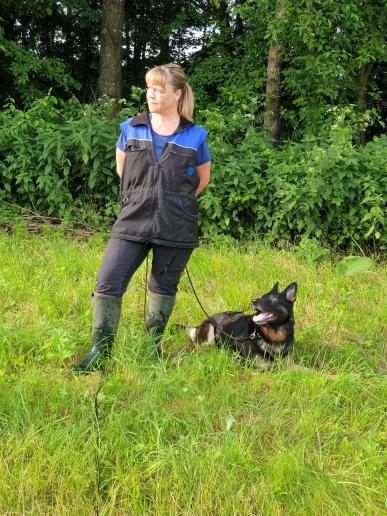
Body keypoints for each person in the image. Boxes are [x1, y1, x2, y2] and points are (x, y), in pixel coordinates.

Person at [71, 63, 211, 374]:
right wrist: (144, 197)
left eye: (158, 90)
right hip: (132, 221)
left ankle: (152, 350)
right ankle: (100, 351)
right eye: (149, 88)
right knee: (108, 281)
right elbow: (124, 173)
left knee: (163, 286)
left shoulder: (196, 136)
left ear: (177, 94)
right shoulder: (130, 128)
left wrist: (172, 203)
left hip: (175, 225)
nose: (151, 94)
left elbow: (201, 181)